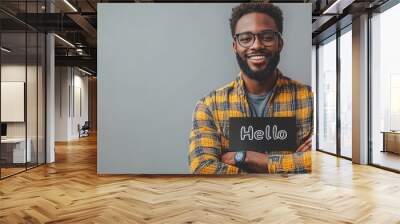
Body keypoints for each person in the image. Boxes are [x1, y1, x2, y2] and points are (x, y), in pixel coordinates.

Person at [189, 2, 313, 174]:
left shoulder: (311, 100)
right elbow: (203, 168)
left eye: (267, 37)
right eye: (246, 38)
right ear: (235, 46)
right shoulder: (210, 107)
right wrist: (292, 165)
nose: (256, 45)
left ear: (280, 43)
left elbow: (322, 162)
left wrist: (247, 158)